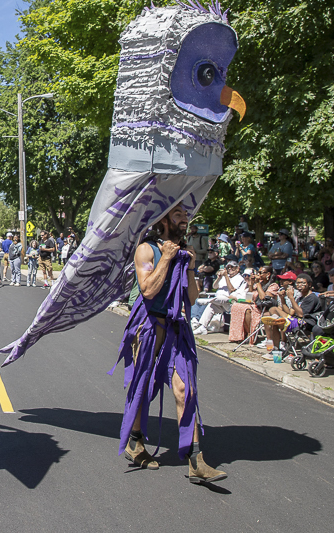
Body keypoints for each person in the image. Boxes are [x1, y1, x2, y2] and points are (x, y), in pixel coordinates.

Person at [113, 203, 226, 484]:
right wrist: (165, 258)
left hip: (177, 326)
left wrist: (189, 267)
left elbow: (191, 298)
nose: (184, 219)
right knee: (143, 384)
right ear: (163, 220)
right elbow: (148, 289)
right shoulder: (147, 250)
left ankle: (196, 460)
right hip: (149, 324)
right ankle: (135, 441)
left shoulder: (184, 253)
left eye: (186, 215)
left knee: (184, 388)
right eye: (178, 214)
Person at [193, 259, 244, 335]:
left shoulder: (239, 278)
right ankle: (203, 327)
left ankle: (207, 301)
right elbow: (215, 286)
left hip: (230, 302)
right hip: (219, 302)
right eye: (228, 267)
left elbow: (232, 290)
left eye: (232, 267)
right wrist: (219, 278)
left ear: (237, 268)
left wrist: (226, 276)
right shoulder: (224, 278)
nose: (230, 269)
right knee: (211, 306)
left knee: (220, 299)